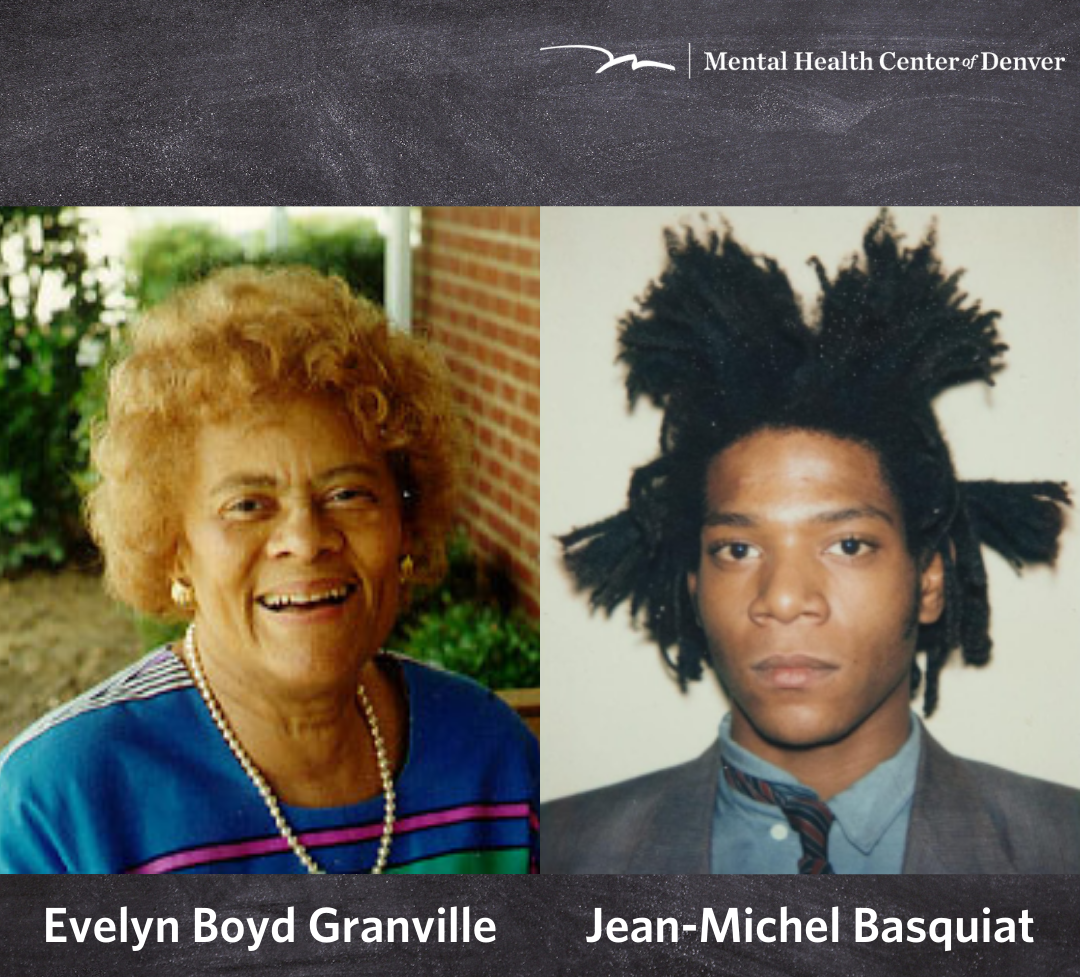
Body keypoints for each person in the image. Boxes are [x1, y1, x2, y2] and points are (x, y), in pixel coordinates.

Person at [542, 212, 1080, 873]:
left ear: (930, 581)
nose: (785, 598)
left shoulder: (1060, 852)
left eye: (848, 544)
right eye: (738, 550)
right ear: (693, 588)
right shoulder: (560, 854)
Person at [0, 266, 538, 874]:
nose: (305, 541)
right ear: (175, 547)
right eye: (247, 506)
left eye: (348, 494)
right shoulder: (59, 805)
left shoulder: (494, 762)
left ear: (405, 523)